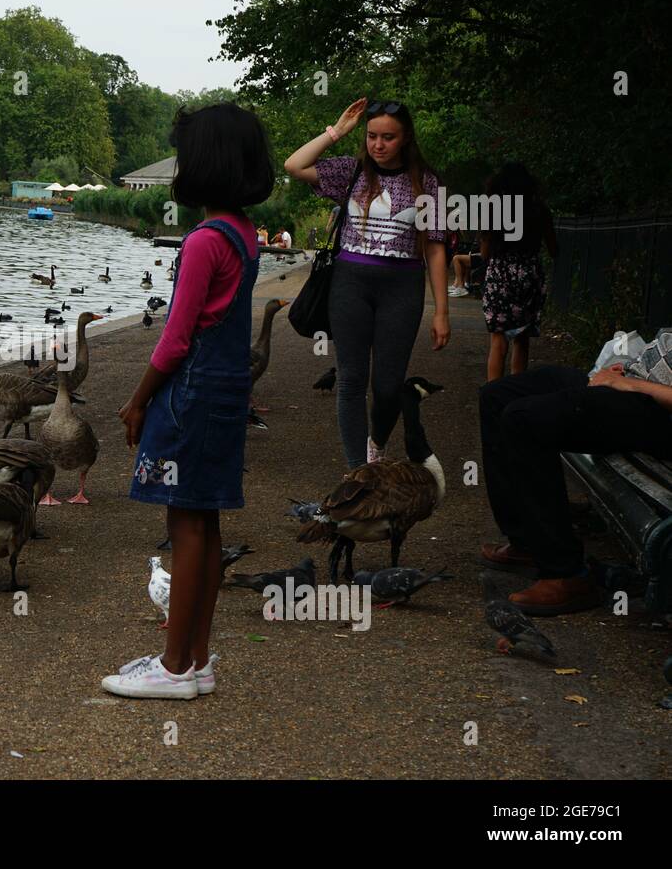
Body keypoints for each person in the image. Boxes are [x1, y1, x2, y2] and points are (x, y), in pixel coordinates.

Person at [107, 102, 274, 700]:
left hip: (191, 394)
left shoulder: (204, 241)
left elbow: (177, 337)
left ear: (203, 163)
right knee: (204, 518)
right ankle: (196, 659)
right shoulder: (245, 235)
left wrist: (136, 401)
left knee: (183, 522)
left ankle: (175, 668)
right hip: (227, 392)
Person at [284, 97, 451, 468]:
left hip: (403, 287)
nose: (378, 144)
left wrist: (442, 310)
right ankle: (359, 471)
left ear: (405, 138)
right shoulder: (352, 171)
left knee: (389, 386)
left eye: (388, 137)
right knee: (350, 381)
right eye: (372, 136)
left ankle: (377, 440)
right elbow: (294, 165)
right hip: (350, 285)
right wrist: (336, 131)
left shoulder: (427, 183)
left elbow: (436, 248)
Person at [479, 355, 672, 614]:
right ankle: (526, 543)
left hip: (657, 411)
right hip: (631, 385)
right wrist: (626, 368)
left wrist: (633, 385)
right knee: (496, 395)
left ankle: (566, 573)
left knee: (523, 419)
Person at [479, 163, 557, 382]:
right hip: (529, 274)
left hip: (500, 274)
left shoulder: (493, 209)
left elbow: (484, 252)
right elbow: (553, 249)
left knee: (498, 339)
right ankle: (515, 389)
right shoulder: (540, 210)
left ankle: (494, 392)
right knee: (522, 338)